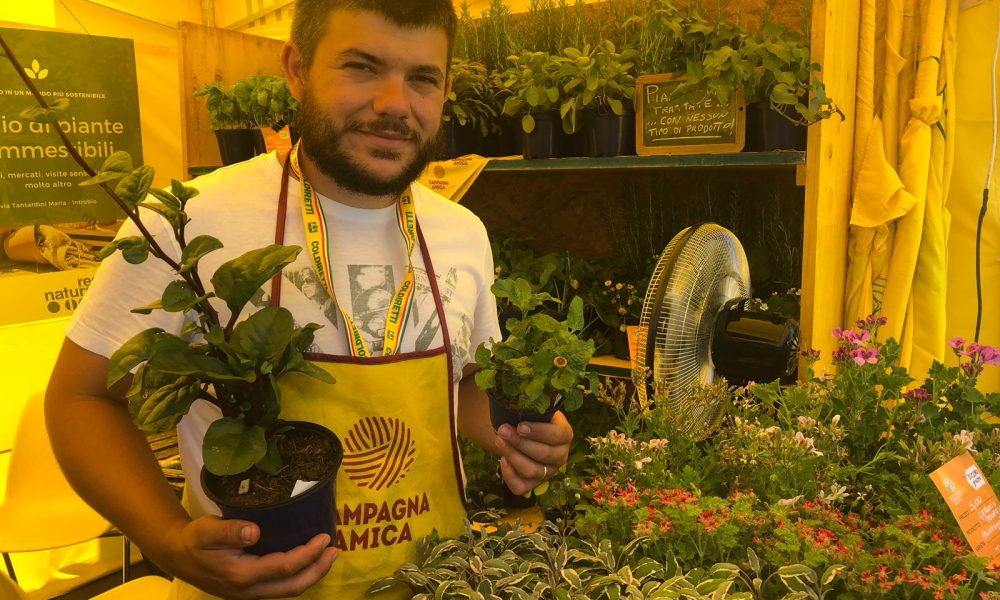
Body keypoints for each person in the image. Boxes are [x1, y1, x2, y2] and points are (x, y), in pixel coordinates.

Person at [44, 2, 574, 598]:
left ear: (446, 88)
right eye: (362, 67)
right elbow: (82, 397)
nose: (394, 103)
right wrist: (166, 539)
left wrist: (519, 438)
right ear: (297, 70)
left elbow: (466, 379)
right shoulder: (187, 223)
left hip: (435, 581)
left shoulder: (461, 232)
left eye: (422, 78)